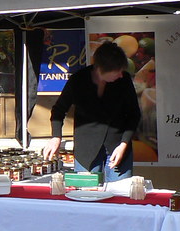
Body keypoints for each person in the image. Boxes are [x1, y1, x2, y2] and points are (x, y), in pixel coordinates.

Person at [41, 41, 141, 180]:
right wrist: (56, 137)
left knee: (121, 190)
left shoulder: (124, 81)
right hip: (86, 148)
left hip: (118, 145)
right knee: (86, 190)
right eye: (118, 71)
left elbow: (134, 114)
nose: (121, 75)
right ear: (102, 69)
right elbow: (59, 110)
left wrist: (124, 144)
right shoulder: (78, 80)